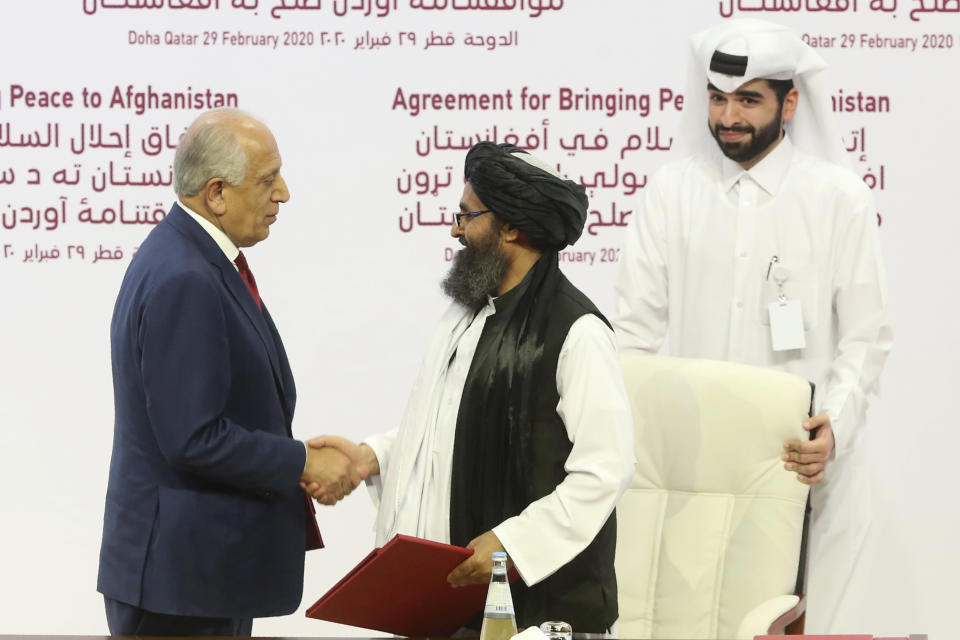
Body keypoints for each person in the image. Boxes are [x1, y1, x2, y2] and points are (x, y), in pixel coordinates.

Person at [613, 19, 892, 631]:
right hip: (692, 475)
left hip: (802, 464)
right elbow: (631, 333)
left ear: (790, 103)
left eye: (748, 99)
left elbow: (867, 336)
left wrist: (834, 428)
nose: (728, 116)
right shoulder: (672, 192)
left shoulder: (837, 196)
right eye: (717, 98)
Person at [309, 142, 635, 634]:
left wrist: (513, 545)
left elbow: (605, 471)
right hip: (455, 608)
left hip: (543, 614)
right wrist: (370, 457)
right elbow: (451, 423)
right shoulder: (467, 313)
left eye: (467, 216)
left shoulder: (578, 332)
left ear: (510, 226)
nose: (456, 230)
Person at [97, 109, 363, 636]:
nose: (282, 194)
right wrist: (301, 461)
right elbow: (193, 438)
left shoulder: (189, 258)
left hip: (194, 578)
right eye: (268, 180)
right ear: (217, 193)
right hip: (181, 590)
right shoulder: (186, 278)